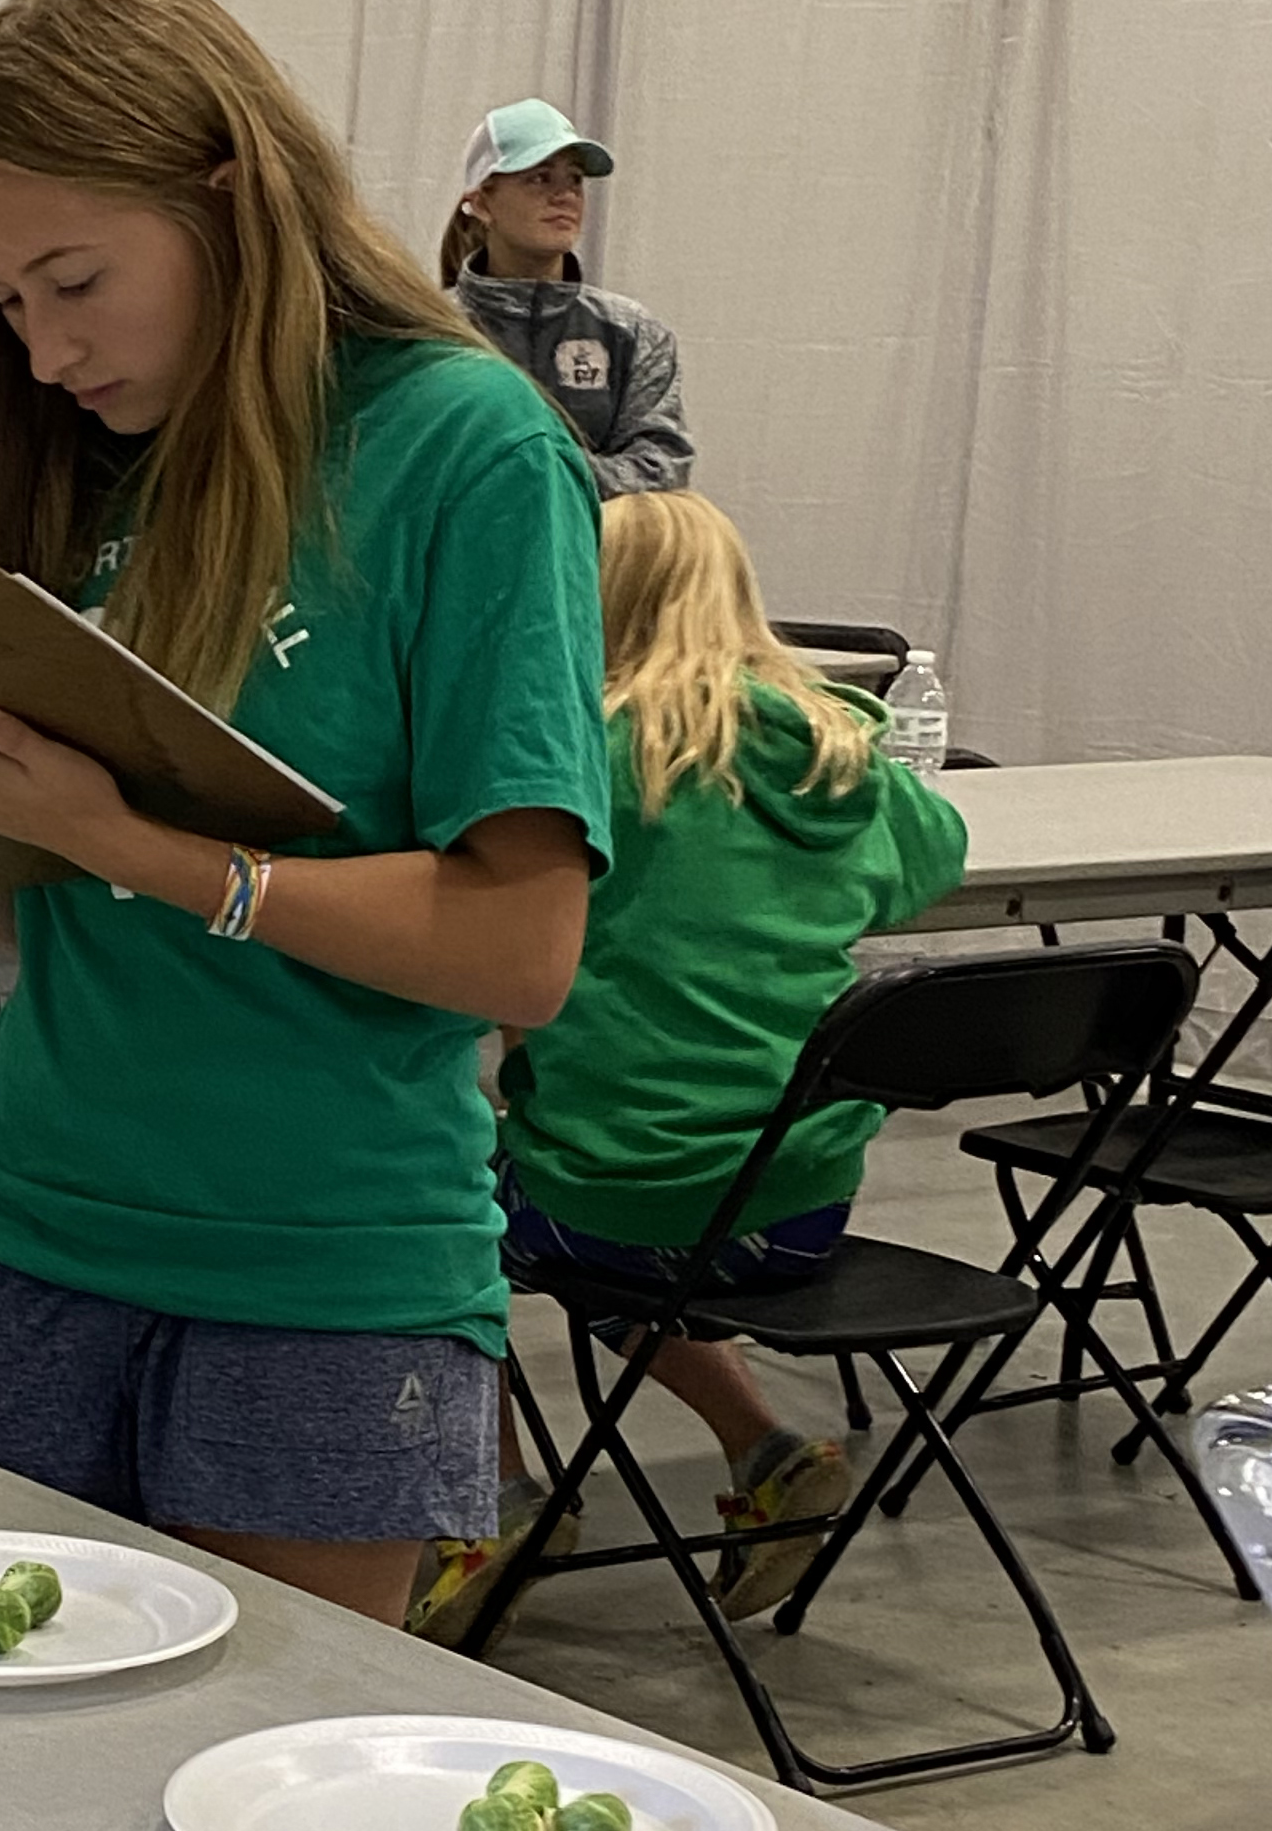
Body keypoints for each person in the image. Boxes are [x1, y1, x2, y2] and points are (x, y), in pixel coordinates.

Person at [0, 0, 611, 1630]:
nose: (42, 349)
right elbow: (21, 910)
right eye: (2, 301)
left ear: (227, 195)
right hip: (22, 1225)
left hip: (318, 1277)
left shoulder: (459, 448)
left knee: (246, 1777)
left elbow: (520, 944)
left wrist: (144, 849)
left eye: (73, 280)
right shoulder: (81, 456)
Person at [413, 488, 969, 1645]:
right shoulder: (838, 745)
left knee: (426, 1222)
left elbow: (485, 914)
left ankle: (501, 1499)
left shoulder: (584, 751)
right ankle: (767, 1449)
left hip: (615, 1195)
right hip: (796, 1202)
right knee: (640, 1223)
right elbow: (933, 865)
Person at [439, 98, 693, 498]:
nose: (565, 195)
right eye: (540, 178)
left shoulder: (633, 332)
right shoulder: (431, 328)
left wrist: (534, 471)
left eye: (574, 179)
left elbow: (662, 466)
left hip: (597, 559)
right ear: (483, 203)